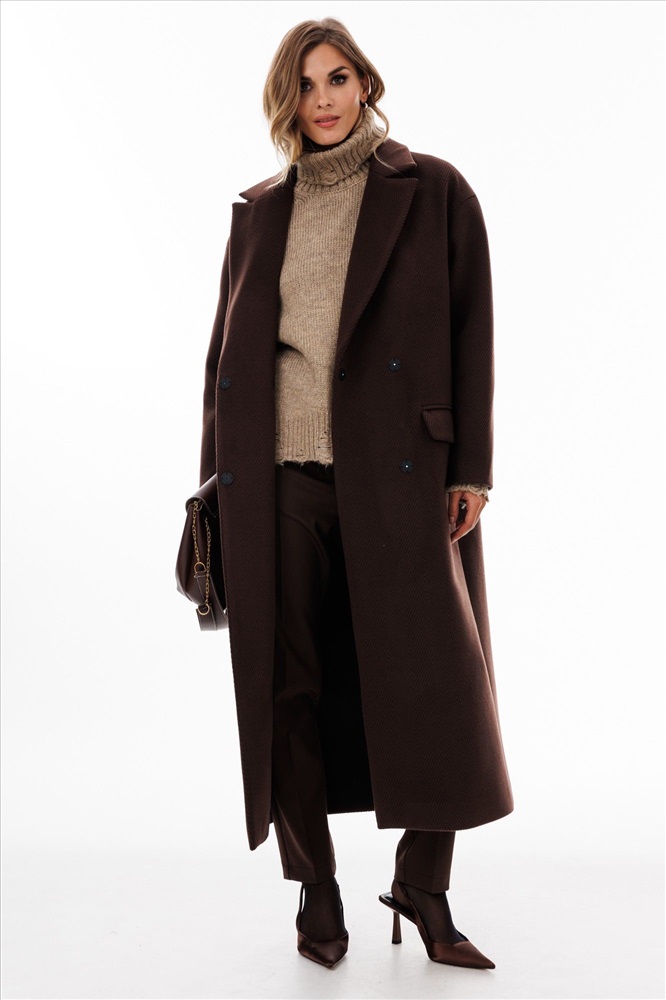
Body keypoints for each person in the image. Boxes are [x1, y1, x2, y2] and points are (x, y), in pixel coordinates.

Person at [198, 17, 514, 972]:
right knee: (287, 687)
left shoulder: (434, 190)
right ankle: (317, 886)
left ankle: (423, 884)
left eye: (337, 78)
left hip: (402, 474)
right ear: (285, 100)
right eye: (304, 85)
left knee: (433, 682)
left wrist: (471, 467)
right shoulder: (260, 211)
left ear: (366, 83)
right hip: (278, 481)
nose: (323, 99)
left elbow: (473, 328)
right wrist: (212, 492)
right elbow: (224, 363)